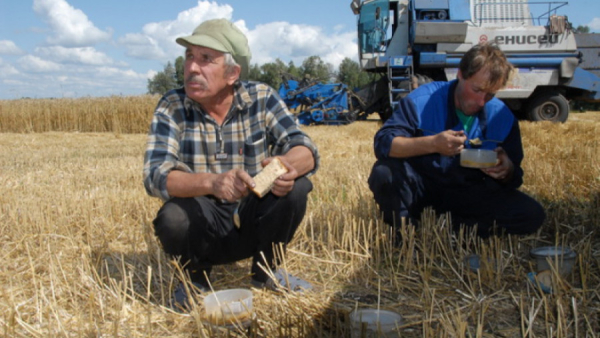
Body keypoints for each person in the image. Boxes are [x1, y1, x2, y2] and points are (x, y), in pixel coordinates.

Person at [143, 19, 320, 309]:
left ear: (232, 73)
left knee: (297, 186)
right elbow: (155, 175)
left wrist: (287, 164)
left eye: (205, 59)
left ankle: (267, 273)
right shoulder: (173, 105)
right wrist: (212, 182)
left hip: (253, 218)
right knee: (173, 218)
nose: (192, 68)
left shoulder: (261, 98)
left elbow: (305, 148)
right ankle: (194, 280)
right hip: (203, 222)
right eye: (189, 56)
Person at [368, 43, 545, 239]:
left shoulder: (502, 116)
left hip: (469, 193)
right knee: (384, 173)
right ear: (460, 74)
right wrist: (433, 144)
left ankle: (454, 231)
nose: (481, 102)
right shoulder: (422, 100)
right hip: (422, 187)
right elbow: (384, 144)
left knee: (531, 215)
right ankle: (406, 234)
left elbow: (515, 176)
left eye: (490, 94)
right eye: (477, 90)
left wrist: (507, 169)